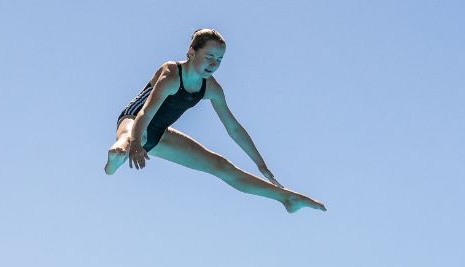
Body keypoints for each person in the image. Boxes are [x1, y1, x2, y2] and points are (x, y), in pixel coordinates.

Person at [104, 28, 326, 213]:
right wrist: (133, 143)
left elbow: (234, 129)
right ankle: (116, 156)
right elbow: (146, 113)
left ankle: (286, 198)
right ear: (191, 52)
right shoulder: (171, 74)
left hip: (159, 133)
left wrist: (261, 164)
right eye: (209, 57)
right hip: (134, 119)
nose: (214, 63)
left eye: (219, 59)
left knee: (220, 165)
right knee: (131, 136)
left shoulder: (211, 88)